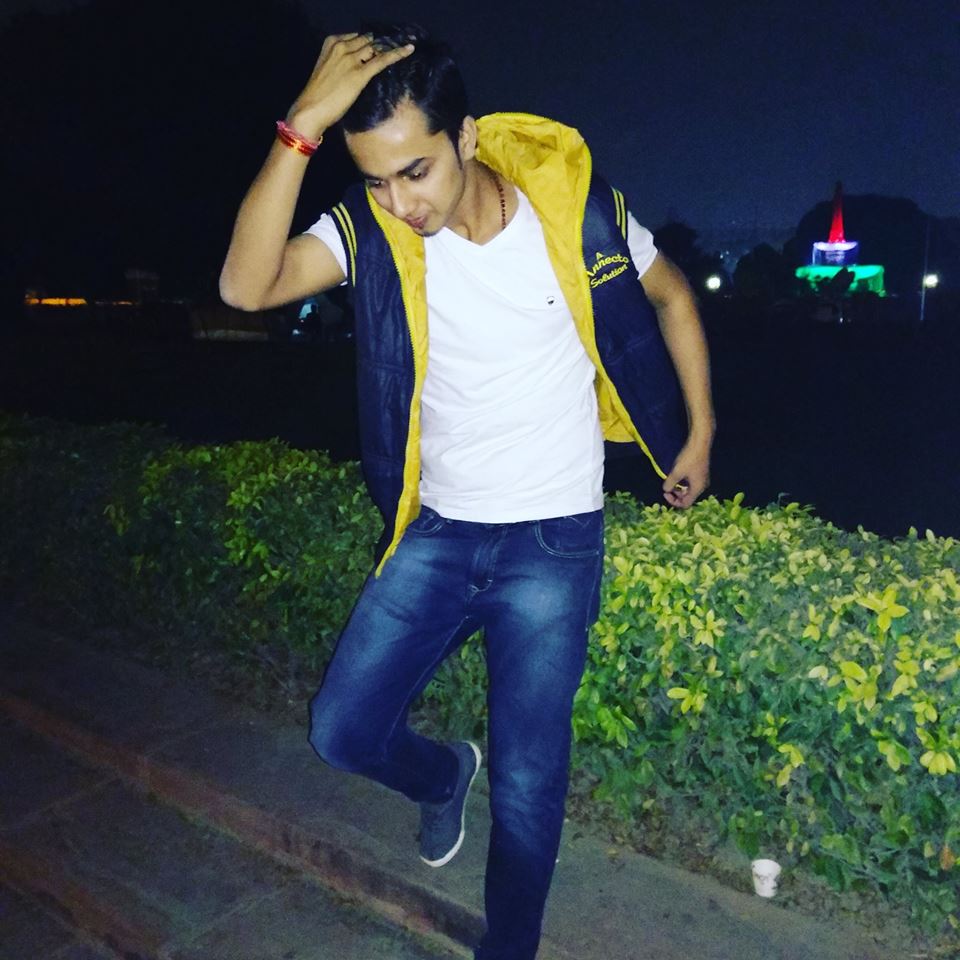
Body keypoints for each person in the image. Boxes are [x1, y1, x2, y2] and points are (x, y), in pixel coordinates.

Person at [220, 22, 714, 960]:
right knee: (340, 731)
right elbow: (247, 288)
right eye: (376, 179)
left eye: (416, 171)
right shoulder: (373, 231)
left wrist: (701, 431)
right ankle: (443, 774)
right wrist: (301, 127)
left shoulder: (573, 209)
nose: (399, 202)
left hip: (553, 544)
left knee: (529, 784)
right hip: (440, 534)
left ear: (468, 137)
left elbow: (674, 296)